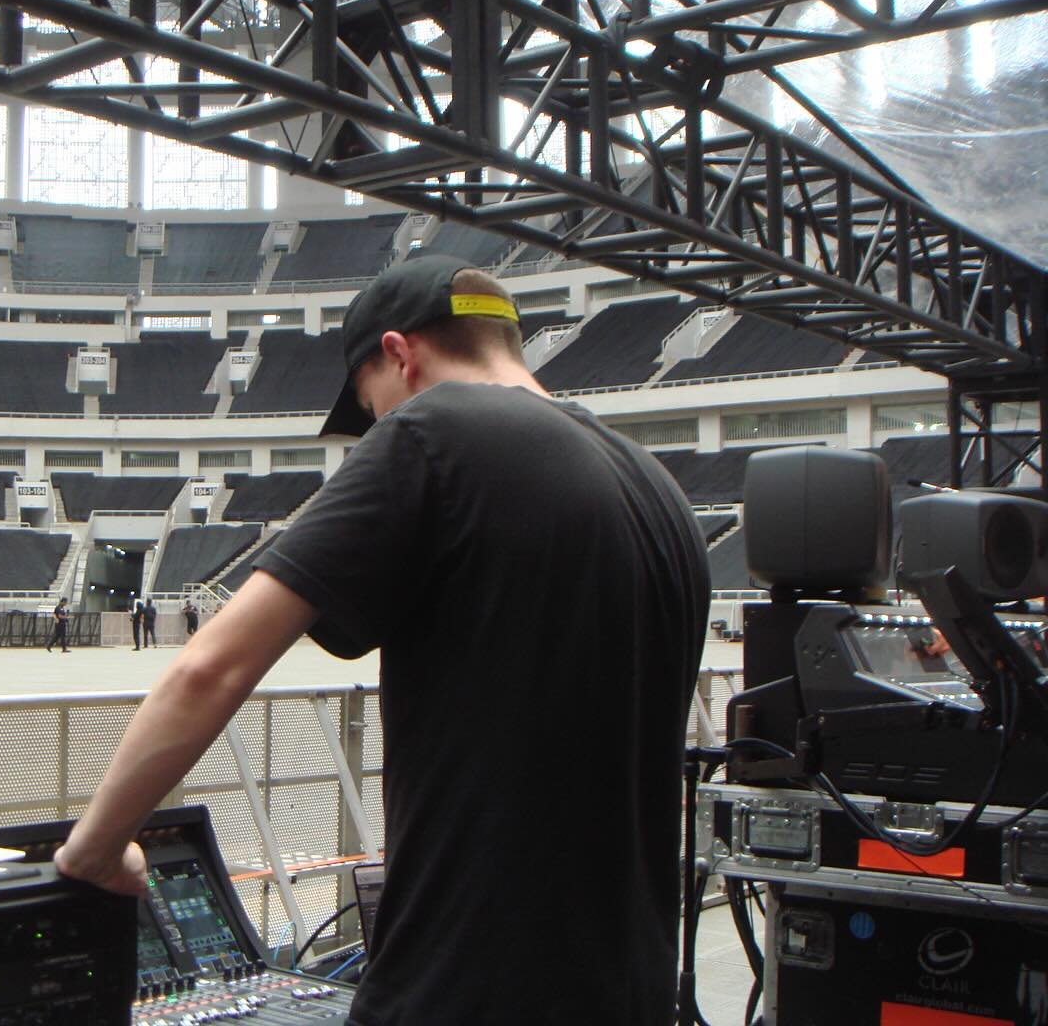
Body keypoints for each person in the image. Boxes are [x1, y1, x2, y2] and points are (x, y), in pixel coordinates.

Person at [52, 256, 710, 1024]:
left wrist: (96, 848)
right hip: (631, 989)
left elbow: (211, 667)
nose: (376, 425)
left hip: (469, 990)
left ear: (400, 354)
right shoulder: (660, 492)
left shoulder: (434, 433)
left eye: (370, 408)